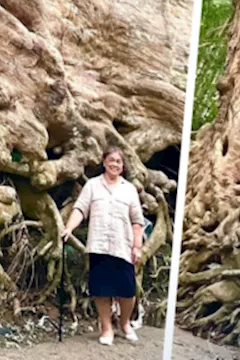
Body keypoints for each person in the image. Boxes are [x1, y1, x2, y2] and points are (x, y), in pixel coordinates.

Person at [61, 145, 145, 346]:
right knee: (101, 289)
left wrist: (136, 246)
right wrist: (69, 228)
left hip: (122, 245)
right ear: (104, 162)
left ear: (122, 166)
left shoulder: (129, 189)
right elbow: (80, 209)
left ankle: (124, 324)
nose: (115, 164)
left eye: (119, 161)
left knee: (127, 290)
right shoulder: (92, 185)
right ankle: (107, 328)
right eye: (112, 160)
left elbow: (137, 220)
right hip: (99, 244)